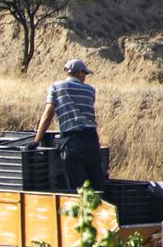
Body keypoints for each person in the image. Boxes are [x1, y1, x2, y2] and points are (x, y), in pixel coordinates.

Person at [33, 59, 108, 189]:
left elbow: (48, 115)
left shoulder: (56, 87)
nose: (85, 77)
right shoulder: (90, 90)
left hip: (72, 141)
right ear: (79, 73)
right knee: (96, 184)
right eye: (85, 74)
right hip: (92, 139)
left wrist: (36, 141)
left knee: (77, 187)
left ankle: (82, 208)